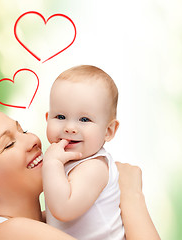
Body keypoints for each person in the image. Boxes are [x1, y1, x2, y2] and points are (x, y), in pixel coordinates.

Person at [0, 105, 160, 240]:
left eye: (23, 130)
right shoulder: (9, 233)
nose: (33, 139)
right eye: (8, 144)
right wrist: (131, 195)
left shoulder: (52, 222)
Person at [43, 65, 121, 239]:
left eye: (84, 119)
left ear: (108, 131)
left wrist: (51, 164)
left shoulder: (95, 167)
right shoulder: (66, 161)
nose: (70, 128)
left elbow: (63, 209)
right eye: (60, 117)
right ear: (47, 118)